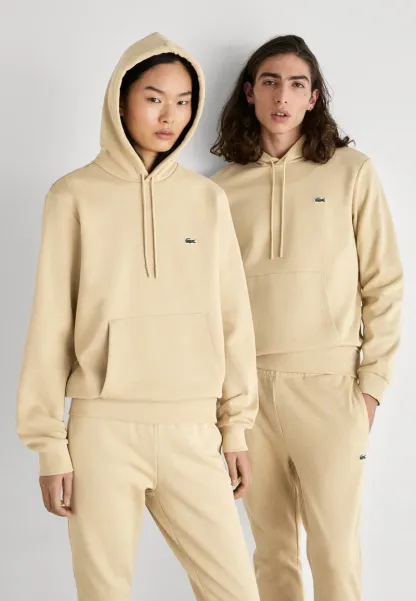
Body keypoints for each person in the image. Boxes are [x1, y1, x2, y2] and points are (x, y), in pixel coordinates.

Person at [16, 32, 261, 601]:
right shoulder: (73, 195)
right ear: (120, 100)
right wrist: (49, 446)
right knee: (102, 593)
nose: (169, 115)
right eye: (154, 98)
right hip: (102, 431)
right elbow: (51, 325)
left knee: (235, 591)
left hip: (193, 429)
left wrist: (235, 428)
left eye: (182, 101)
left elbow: (233, 318)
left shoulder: (207, 200)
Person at [212, 34, 403, 601]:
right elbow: (213, 302)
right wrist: (223, 403)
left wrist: (370, 388)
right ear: (250, 92)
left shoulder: (351, 171)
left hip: (330, 387)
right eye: (270, 82)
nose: (282, 97)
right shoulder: (221, 189)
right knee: (271, 552)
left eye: (297, 85)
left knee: (334, 550)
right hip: (248, 392)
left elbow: (384, 284)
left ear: (314, 97)